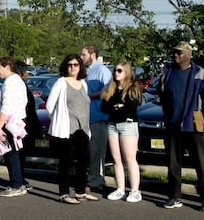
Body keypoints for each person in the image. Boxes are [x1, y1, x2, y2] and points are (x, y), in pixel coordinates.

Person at [158, 42, 204, 212]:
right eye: (174, 52)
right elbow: (162, 95)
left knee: (203, 164)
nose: (175, 56)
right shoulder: (167, 73)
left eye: (179, 53)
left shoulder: (200, 74)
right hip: (173, 125)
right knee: (173, 164)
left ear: (189, 55)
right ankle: (174, 196)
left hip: (194, 125)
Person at [46, 54, 98, 204]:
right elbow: (50, 106)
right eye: (70, 65)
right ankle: (64, 193)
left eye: (76, 64)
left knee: (83, 161)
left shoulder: (83, 83)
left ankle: (80, 191)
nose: (73, 67)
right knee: (65, 162)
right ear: (65, 66)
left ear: (80, 66)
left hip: (83, 130)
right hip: (66, 130)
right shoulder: (61, 82)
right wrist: (58, 121)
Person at [101, 62, 143, 202]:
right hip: (113, 125)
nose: (116, 73)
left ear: (126, 72)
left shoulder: (132, 88)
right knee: (116, 159)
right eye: (115, 70)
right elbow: (105, 107)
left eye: (119, 70)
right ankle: (120, 189)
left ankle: (135, 190)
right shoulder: (111, 88)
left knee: (130, 159)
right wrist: (117, 106)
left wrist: (119, 107)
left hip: (128, 125)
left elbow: (131, 108)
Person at [0, 56, 30, 197]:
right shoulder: (18, 81)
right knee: (16, 152)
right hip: (18, 119)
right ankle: (19, 182)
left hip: (10, 121)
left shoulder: (10, 82)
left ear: (7, 67)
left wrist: (0, 125)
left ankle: (16, 184)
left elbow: (7, 105)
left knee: (10, 153)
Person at [81, 44, 111, 193]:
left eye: (84, 55)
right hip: (87, 116)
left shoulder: (102, 70)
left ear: (92, 55)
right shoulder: (87, 71)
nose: (82, 58)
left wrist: (88, 96)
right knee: (89, 150)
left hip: (98, 116)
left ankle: (96, 181)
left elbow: (108, 91)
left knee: (97, 151)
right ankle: (92, 178)